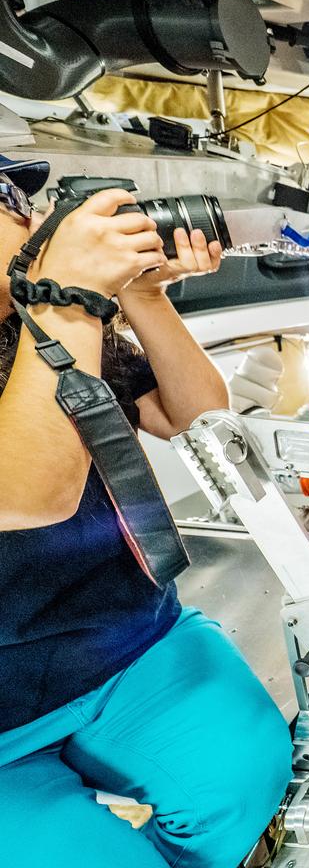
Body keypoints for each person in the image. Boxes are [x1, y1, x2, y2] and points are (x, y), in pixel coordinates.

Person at [0, 159, 292, 867]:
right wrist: (68, 298)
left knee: (243, 782)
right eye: (8, 199)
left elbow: (195, 417)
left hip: (121, 635)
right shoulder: (58, 315)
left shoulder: (44, 325)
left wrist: (143, 297)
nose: (33, 218)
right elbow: (24, 499)